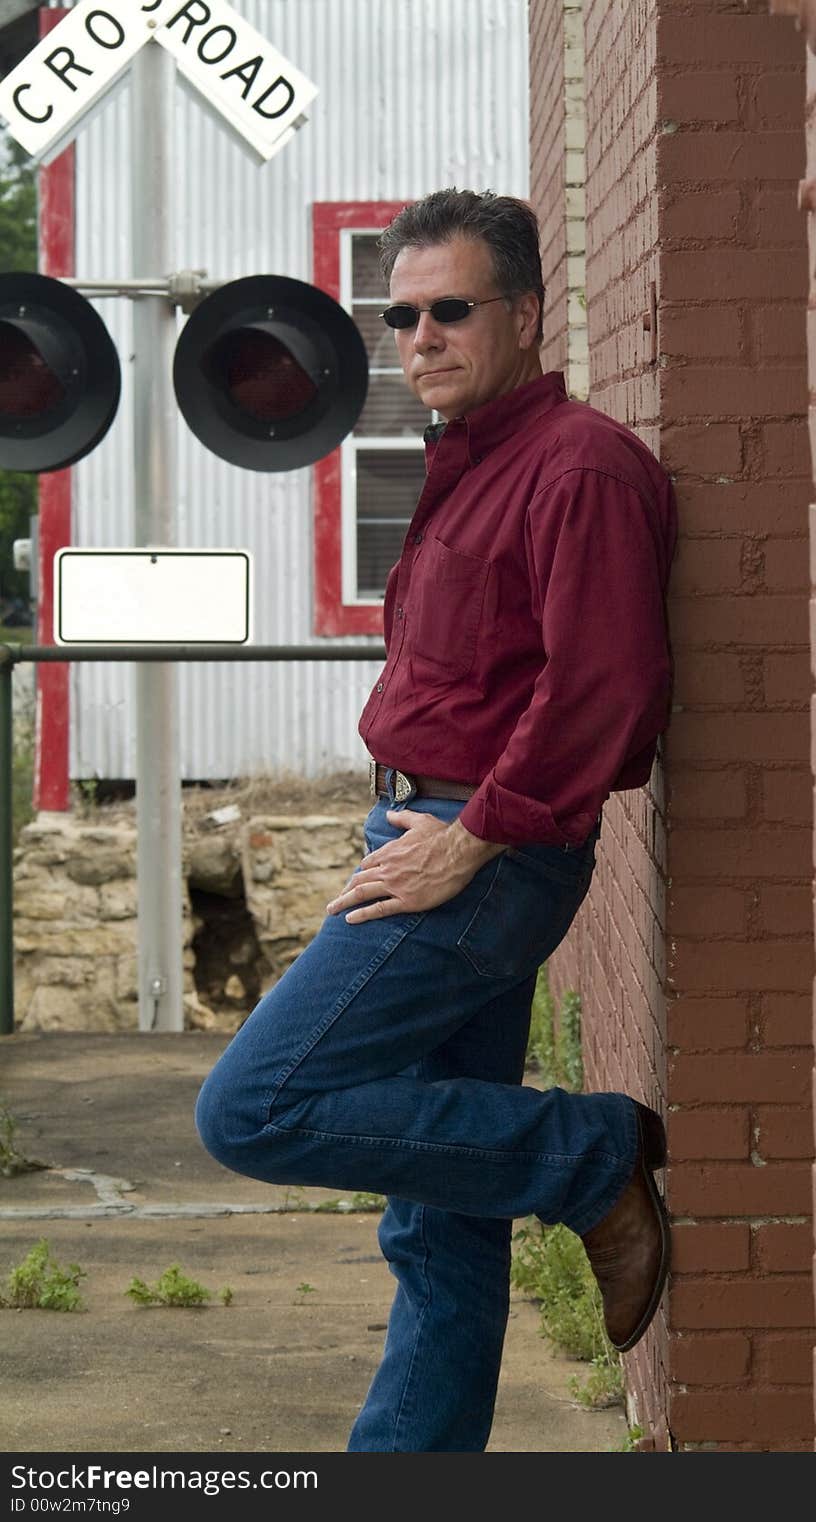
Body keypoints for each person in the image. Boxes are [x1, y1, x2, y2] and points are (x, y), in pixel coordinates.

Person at [195, 188, 678, 1453]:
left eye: (450, 310)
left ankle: (591, 1154)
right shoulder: (471, 458)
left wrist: (473, 836)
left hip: (482, 855)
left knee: (256, 1107)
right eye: (401, 315)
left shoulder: (577, 468)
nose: (420, 338)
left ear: (524, 312)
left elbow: (604, 688)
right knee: (437, 1215)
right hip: (430, 835)